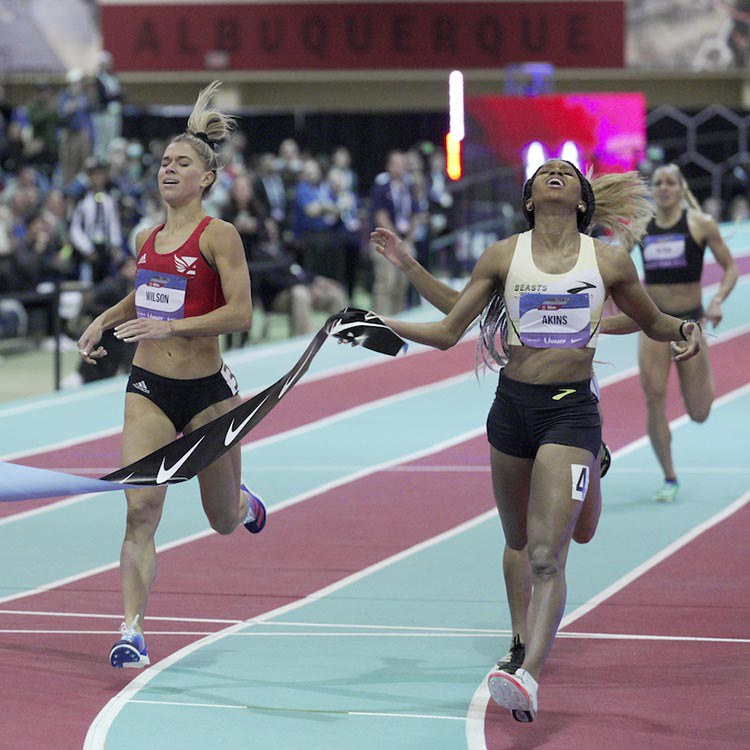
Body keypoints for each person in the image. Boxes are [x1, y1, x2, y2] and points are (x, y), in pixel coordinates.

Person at [367, 159, 702, 723]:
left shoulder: (609, 261)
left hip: (570, 412)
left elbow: (652, 320)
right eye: (544, 171)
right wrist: (386, 309)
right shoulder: (503, 255)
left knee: (550, 554)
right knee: (520, 541)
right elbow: (453, 326)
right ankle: (522, 633)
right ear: (528, 201)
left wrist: (684, 329)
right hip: (511, 411)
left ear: (580, 200)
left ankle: (527, 675)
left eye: (566, 173)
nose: (555, 173)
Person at [76, 81, 267, 669]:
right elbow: (145, 298)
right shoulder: (147, 238)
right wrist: (103, 322)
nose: (168, 169)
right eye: (163, 162)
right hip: (149, 389)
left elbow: (240, 312)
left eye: (182, 162)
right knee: (139, 512)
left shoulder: (219, 236)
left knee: (221, 523)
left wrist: (174, 329)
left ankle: (240, 501)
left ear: (206, 178)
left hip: (208, 394)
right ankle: (131, 629)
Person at [602, 164, 738, 503]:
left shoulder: (699, 224)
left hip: (689, 324)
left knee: (699, 412)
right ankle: (669, 475)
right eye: (658, 183)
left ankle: (704, 379)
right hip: (652, 324)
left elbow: (731, 267)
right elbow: (613, 265)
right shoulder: (641, 229)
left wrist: (718, 300)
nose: (663, 188)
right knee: (654, 398)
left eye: (669, 183)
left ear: (680, 188)